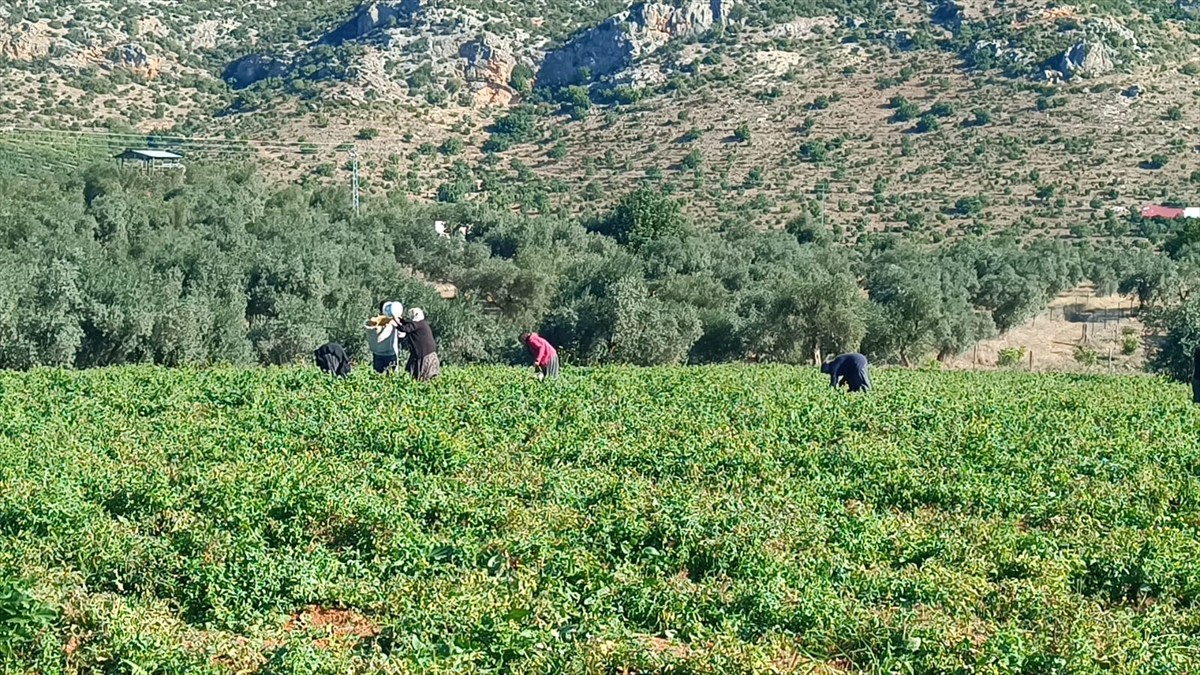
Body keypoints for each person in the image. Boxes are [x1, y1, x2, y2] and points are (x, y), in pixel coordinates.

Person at [394, 307, 441, 381]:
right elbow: (408, 325)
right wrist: (401, 320)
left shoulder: (418, 324)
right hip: (426, 354)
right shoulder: (421, 324)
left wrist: (395, 323)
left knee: (423, 377)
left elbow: (405, 329)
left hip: (425, 355)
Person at [365, 301, 403, 374]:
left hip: (377, 353)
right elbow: (402, 334)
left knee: (377, 376)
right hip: (391, 353)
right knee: (392, 376)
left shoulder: (374, 321)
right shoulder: (393, 321)